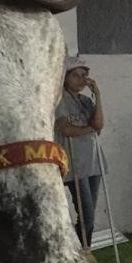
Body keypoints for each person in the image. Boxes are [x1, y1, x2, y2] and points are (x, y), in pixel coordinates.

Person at [55, 55, 106, 246]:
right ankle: (83, 251)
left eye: (84, 75)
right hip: (75, 164)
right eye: (75, 75)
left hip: (93, 161)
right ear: (66, 77)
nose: (81, 80)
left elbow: (99, 124)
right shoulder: (60, 100)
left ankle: (85, 249)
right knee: (87, 215)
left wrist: (98, 96)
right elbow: (66, 129)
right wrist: (91, 129)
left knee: (89, 214)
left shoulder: (85, 101)